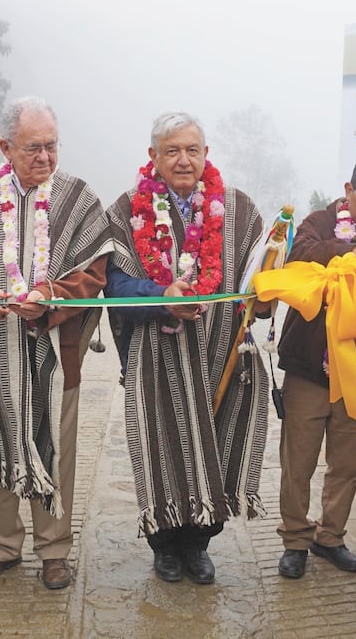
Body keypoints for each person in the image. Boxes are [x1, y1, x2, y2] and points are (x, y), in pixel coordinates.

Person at [0, 96, 113, 590]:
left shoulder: (78, 198)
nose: (45, 157)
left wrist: (50, 295)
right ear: (5, 147)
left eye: (51, 146)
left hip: (57, 357)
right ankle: (1, 546)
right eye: (32, 147)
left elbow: (94, 272)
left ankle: (54, 549)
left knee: (56, 450)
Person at [105, 112, 269, 584]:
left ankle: (199, 544)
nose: (183, 160)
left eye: (191, 150)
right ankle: (165, 546)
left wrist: (265, 295)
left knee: (214, 446)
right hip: (156, 355)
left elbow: (259, 272)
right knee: (160, 447)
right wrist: (160, 299)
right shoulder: (124, 209)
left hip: (221, 355)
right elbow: (113, 284)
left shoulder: (238, 207)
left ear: (206, 155)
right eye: (171, 150)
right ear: (153, 156)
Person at [275, 156, 356, 580]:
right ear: (349, 190)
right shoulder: (320, 223)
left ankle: (330, 537)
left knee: (348, 463)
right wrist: (348, 253)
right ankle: (295, 539)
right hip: (308, 369)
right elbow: (299, 257)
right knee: (299, 461)